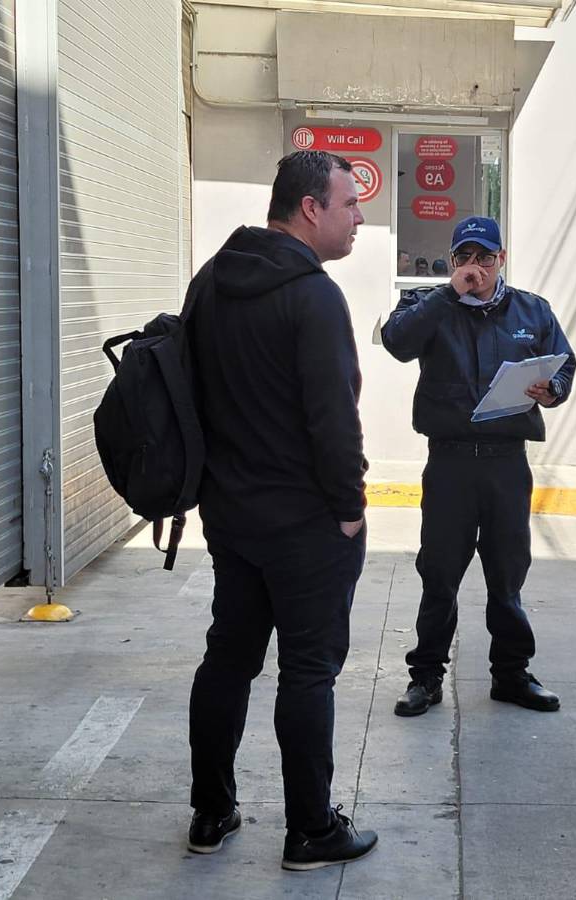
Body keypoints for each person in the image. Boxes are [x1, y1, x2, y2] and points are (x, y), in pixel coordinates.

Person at [185, 150, 378, 871]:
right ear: (309, 209)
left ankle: (211, 813)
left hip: (231, 519)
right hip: (305, 527)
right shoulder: (313, 295)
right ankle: (310, 831)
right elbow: (334, 420)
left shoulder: (211, 282)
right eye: (348, 204)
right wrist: (350, 509)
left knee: (228, 661)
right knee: (307, 672)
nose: (358, 218)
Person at [381, 216, 576, 717]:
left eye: (484, 258)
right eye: (464, 258)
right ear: (452, 262)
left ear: (501, 260)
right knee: (440, 573)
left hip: (506, 464)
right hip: (449, 464)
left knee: (507, 574)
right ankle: (426, 677)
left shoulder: (531, 309)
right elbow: (398, 343)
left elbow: (563, 364)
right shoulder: (428, 306)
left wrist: (551, 390)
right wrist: (447, 294)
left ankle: (510, 674)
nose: (475, 268)